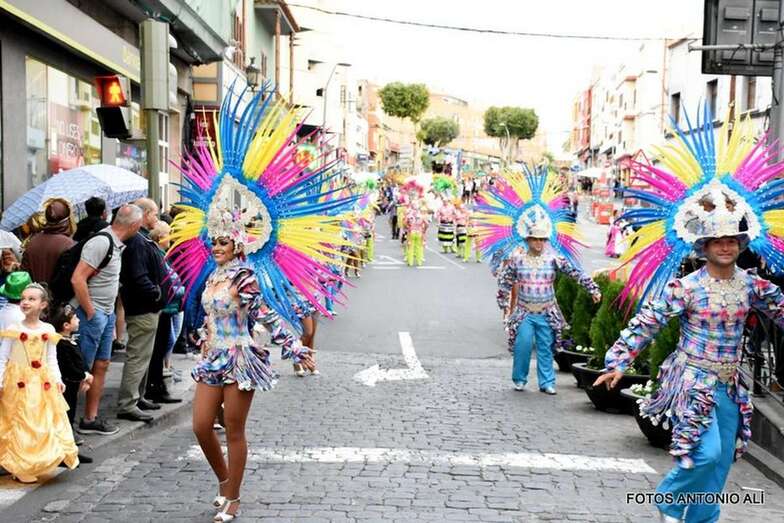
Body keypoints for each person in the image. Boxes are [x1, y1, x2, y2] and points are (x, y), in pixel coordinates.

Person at [594, 207, 784, 522]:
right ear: (704, 247)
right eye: (717, 241)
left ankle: (702, 518)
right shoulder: (687, 287)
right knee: (706, 454)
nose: (725, 247)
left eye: (731, 240)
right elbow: (649, 321)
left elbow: (780, 308)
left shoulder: (751, 285)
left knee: (721, 459)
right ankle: (668, 500)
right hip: (693, 382)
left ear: (740, 245)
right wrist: (619, 360)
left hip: (730, 385)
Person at [191, 211, 315, 521]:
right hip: (212, 358)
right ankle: (224, 480)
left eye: (223, 243)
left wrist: (294, 346)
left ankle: (233, 498)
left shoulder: (244, 277)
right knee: (201, 426)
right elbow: (211, 314)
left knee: (234, 430)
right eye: (213, 242)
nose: (216, 248)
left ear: (236, 246)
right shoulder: (214, 276)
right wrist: (204, 334)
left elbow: (265, 315)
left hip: (239, 358)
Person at [498, 217, 600, 394]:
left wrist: (592, 289)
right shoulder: (517, 260)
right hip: (524, 312)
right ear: (528, 240)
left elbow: (575, 271)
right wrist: (503, 302)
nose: (539, 243)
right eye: (535, 239)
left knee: (545, 347)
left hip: (546, 312)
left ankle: (546, 382)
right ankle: (519, 379)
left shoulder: (553, 259)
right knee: (523, 345)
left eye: (542, 239)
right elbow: (505, 281)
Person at [72, 204, 143, 436]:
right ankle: (66, 426)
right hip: (93, 314)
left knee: (101, 365)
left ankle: (90, 419)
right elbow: (78, 279)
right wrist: (91, 312)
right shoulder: (102, 242)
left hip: (104, 314)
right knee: (80, 370)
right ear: (135, 225)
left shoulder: (115, 243)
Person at [0, 283, 78, 482]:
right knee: (20, 420)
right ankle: (19, 465)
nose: (25, 302)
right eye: (23, 299)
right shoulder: (14, 328)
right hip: (18, 381)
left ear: (43, 304)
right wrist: (0, 381)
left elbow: (51, 358)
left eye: (31, 299)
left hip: (41, 382)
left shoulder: (48, 329)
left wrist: (57, 379)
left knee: (39, 420)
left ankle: (35, 460)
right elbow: (3, 357)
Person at [116, 198, 167, 423]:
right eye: (154, 213)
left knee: (144, 355)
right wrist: (154, 292)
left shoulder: (141, 239)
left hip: (147, 306)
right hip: (143, 307)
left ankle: (138, 396)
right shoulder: (136, 242)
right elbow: (138, 276)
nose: (157, 217)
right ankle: (128, 403)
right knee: (138, 356)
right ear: (144, 215)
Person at [145, 221, 184, 404]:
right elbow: (169, 282)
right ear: (161, 237)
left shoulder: (161, 255)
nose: (171, 239)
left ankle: (157, 384)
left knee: (163, 344)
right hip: (164, 307)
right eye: (169, 235)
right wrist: (183, 290)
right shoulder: (158, 255)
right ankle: (155, 386)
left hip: (167, 306)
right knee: (161, 345)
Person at [51, 304, 94, 463]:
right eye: (75, 318)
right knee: (65, 418)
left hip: (74, 385)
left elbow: (81, 361)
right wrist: (84, 375)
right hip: (66, 387)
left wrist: (86, 374)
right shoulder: (61, 345)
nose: (79, 320)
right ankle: (65, 452)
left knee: (70, 416)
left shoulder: (71, 341)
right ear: (66, 326)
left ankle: (70, 451)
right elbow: (69, 368)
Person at [21, 198, 75, 284]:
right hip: (57, 292)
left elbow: (23, 275)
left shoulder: (32, 242)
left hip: (34, 290)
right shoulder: (69, 245)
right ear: (67, 220)